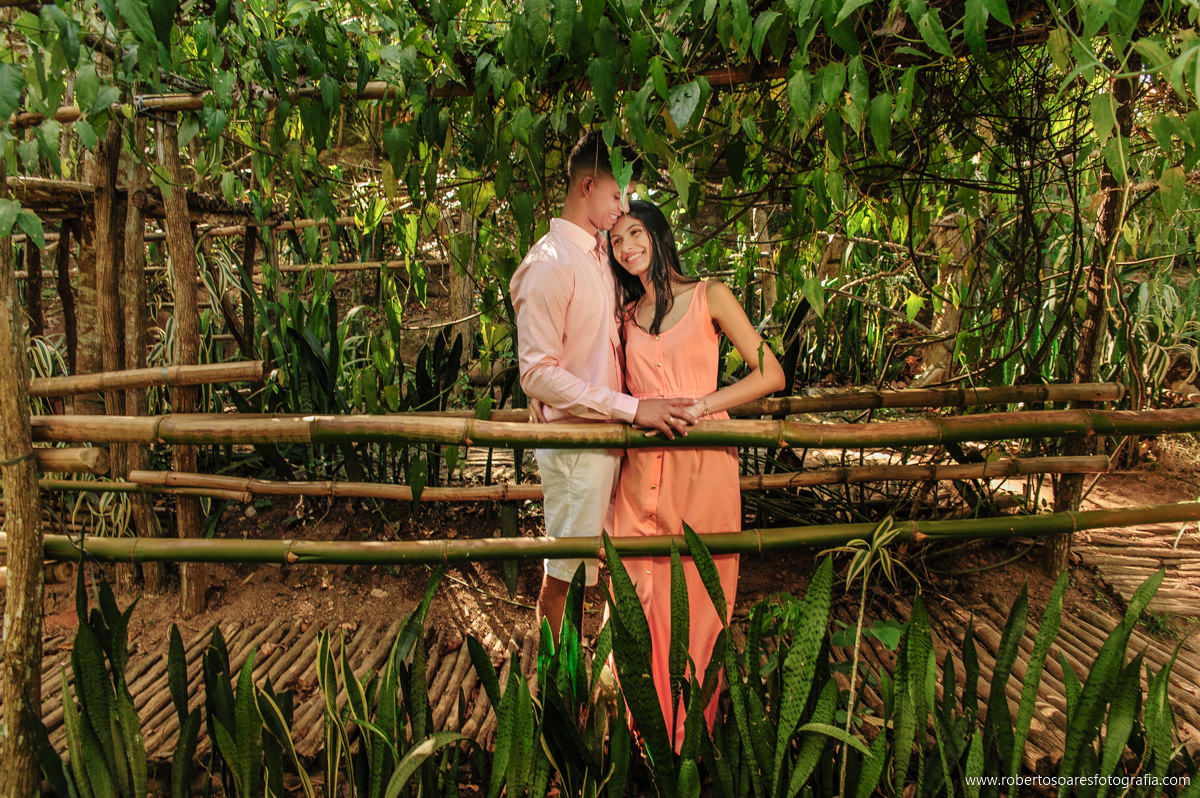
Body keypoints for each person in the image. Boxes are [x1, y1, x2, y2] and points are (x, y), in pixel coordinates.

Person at [607, 199, 785, 747]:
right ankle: (641, 733)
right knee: (639, 590)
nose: (627, 246)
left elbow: (771, 373)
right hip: (639, 474)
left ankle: (689, 739)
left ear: (659, 233)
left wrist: (703, 406)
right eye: (616, 241)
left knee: (700, 593)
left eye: (635, 232)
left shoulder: (711, 295)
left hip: (702, 466)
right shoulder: (625, 316)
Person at [509, 133, 699, 641]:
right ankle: (556, 689)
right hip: (577, 445)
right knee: (566, 575)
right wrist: (632, 408)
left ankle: (598, 681)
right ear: (588, 186)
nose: (623, 208)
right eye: (618, 196)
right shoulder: (548, 265)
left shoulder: (599, 253)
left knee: (610, 565)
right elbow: (536, 373)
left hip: (611, 439)